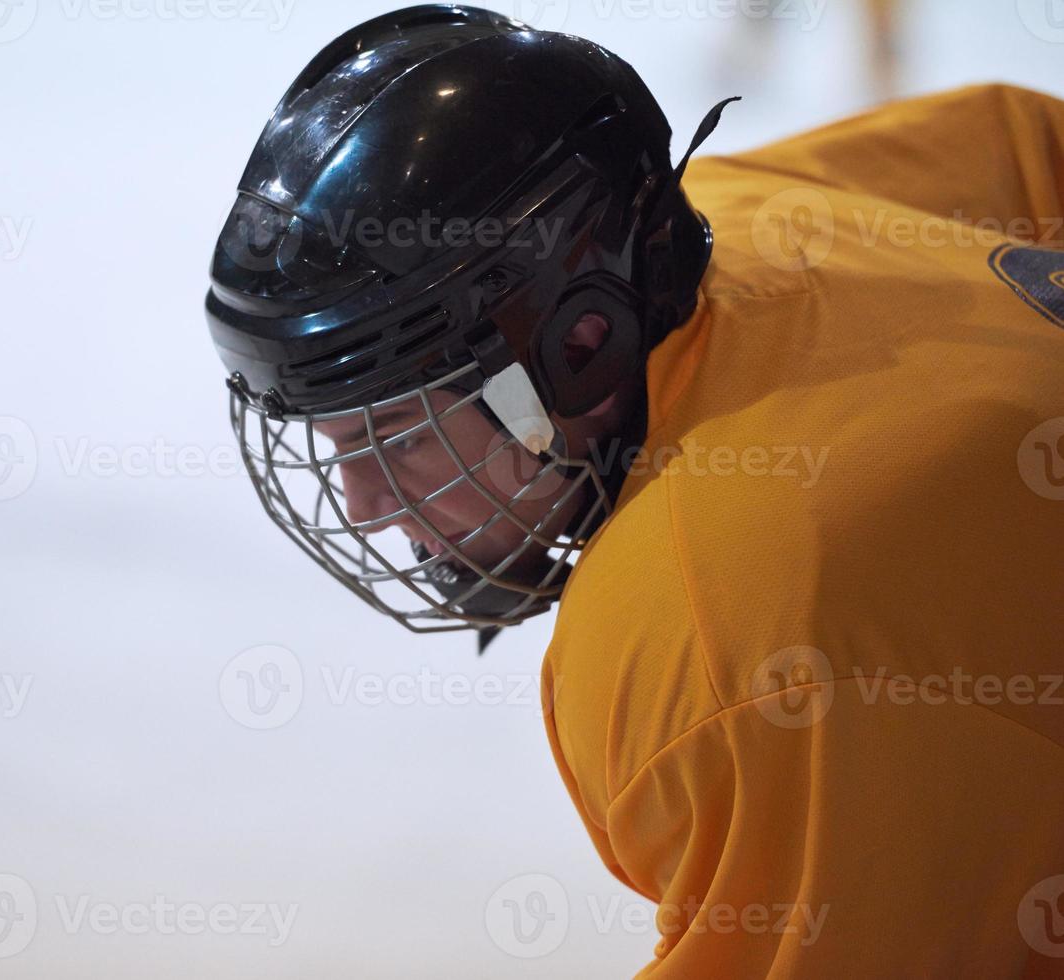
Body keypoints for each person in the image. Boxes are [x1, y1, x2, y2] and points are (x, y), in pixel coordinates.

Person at [203, 5, 1064, 975]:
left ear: (580, 343)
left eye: (393, 430)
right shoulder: (749, 209)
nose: (360, 501)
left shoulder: (709, 631)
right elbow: (1024, 140)